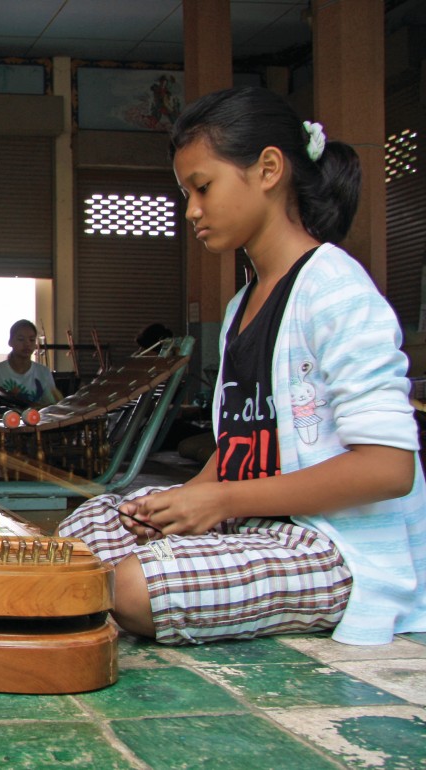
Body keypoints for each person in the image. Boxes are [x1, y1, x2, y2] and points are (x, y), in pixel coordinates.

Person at [58, 85, 426, 646]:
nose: (192, 211)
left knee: (131, 587)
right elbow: (240, 451)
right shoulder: (240, 308)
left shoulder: (335, 289)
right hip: (256, 524)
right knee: (86, 530)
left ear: (269, 169)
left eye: (202, 187)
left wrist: (221, 500)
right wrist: (180, 502)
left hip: (331, 545)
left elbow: (389, 469)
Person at [0, 319, 60, 407]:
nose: (27, 344)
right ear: (10, 342)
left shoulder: (44, 372)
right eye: (21, 339)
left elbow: (51, 406)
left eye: (32, 340)